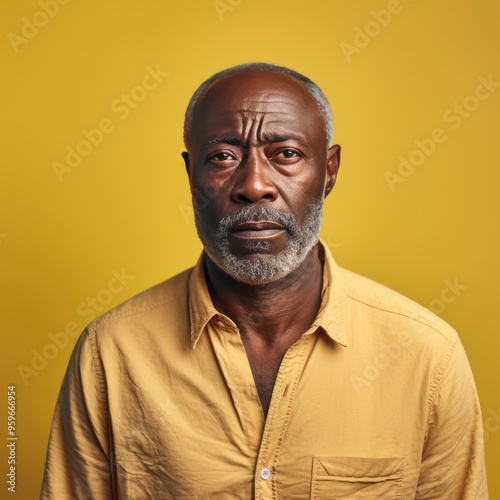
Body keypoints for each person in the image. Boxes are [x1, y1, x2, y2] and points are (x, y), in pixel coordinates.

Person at [41, 63, 488, 499]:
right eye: (222, 157)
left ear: (329, 170)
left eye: (286, 154)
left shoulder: (427, 356)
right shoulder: (112, 353)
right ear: (190, 173)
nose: (254, 184)